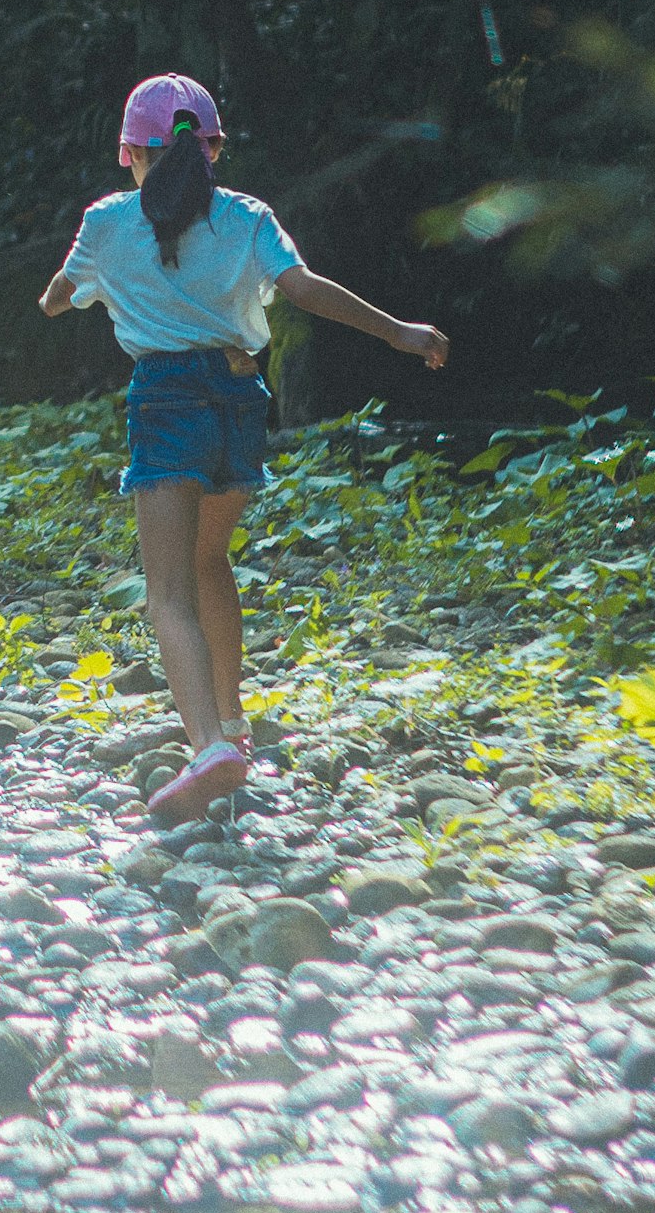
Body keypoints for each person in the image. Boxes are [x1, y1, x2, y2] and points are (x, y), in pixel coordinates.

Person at [39, 72, 449, 822]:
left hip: (165, 402)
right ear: (215, 147)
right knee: (209, 560)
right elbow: (303, 288)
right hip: (237, 400)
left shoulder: (105, 223)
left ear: (129, 151)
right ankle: (231, 721)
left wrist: (64, 292)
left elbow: (59, 296)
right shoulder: (247, 217)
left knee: (166, 591)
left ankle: (208, 750)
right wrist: (400, 332)